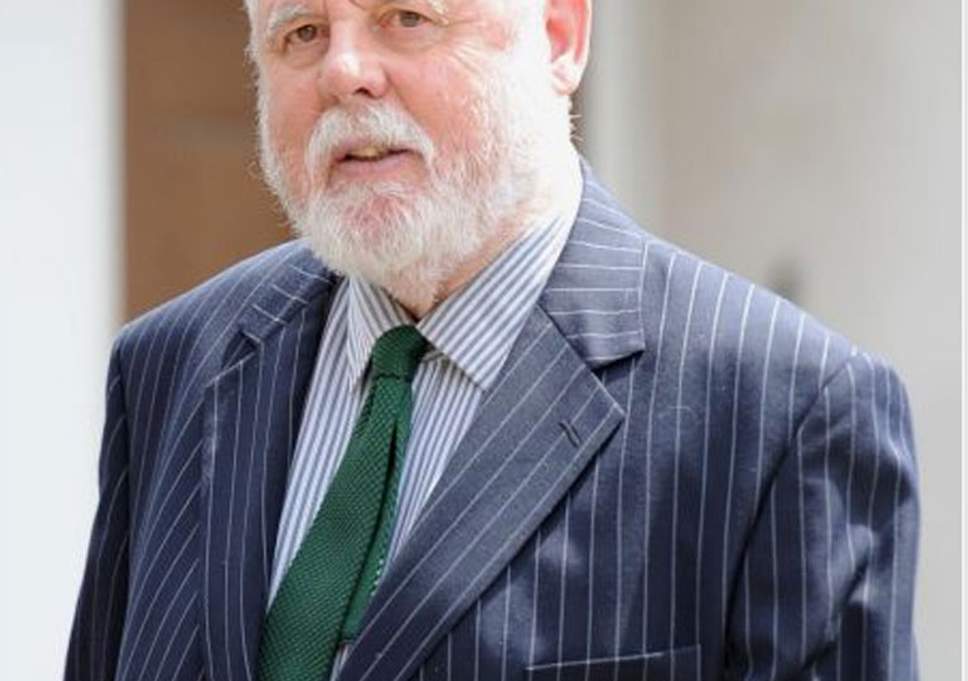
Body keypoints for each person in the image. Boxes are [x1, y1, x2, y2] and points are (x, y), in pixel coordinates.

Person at [65, 0, 920, 680]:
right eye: (302, 32)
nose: (344, 71)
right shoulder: (172, 365)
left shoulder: (784, 411)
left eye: (407, 17)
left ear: (559, 36)